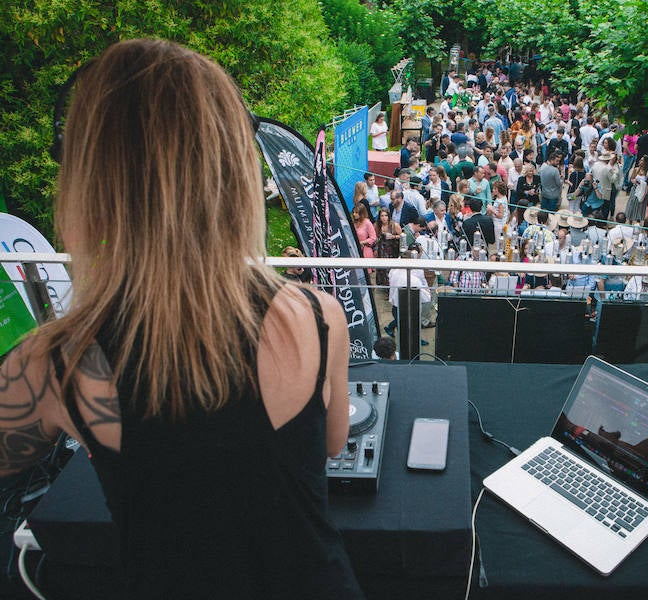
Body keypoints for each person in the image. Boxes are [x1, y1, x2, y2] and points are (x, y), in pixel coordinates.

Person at [0, 39, 363, 598]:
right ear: (233, 173)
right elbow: (335, 441)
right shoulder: (318, 316)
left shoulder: (56, 363)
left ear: (91, 183)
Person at [374, 207, 402, 286]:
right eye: (382, 216)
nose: (384, 218)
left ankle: (391, 288)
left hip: (392, 250)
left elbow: (402, 236)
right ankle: (385, 287)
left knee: (391, 270)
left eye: (385, 215)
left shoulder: (394, 225)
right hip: (382, 250)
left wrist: (393, 236)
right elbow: (375, 238)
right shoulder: (377, 226)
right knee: (383, 269)